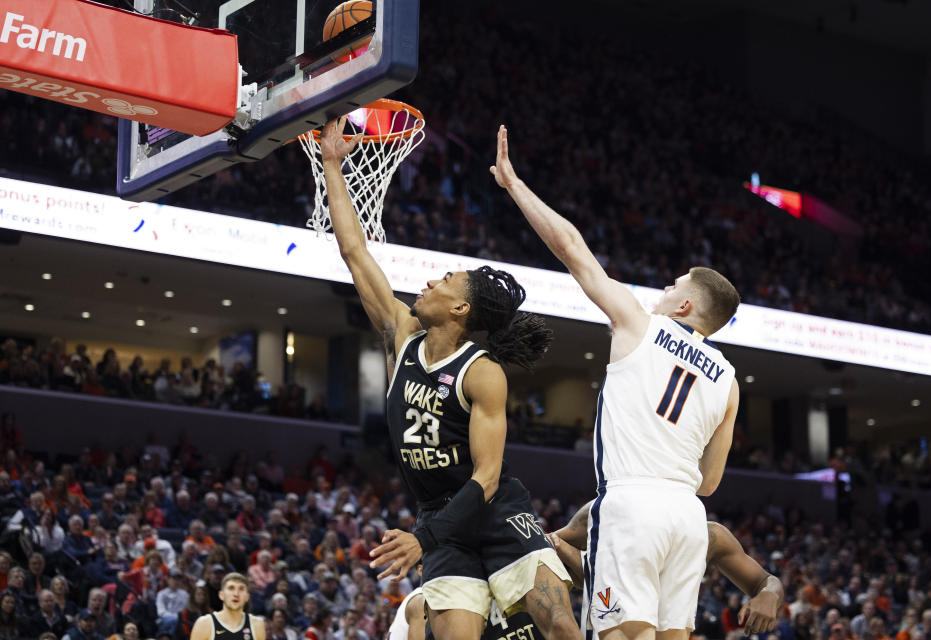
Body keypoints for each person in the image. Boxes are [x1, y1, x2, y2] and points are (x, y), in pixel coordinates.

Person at [318, 118, 579, 640]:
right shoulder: (402, 335)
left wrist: (421, 537)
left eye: (446, 280)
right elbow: (355, 253)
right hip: (442, 521)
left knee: (559, 629)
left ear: (461, 307)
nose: (432, 279)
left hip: (496, 513)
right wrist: (331, 165)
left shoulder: (482, 374)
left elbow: (484, 478)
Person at [491, 125, 740, 640]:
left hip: (632, 506)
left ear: (686, 305)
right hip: (688, 517)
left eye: (672, 286)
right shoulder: (730, 381)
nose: (663, 290)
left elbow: (572, 248)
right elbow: (710, 482)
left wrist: (515, 185)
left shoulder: (640, 323)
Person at [549, 501, 782, 636]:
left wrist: (769, 594)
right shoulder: (608, 508)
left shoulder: (709, 534)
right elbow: (549, 546)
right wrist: (578, 559)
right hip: (612, 626)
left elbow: (765, 581)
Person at [189, 572, 265, 640]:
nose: (236, 594)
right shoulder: (204, 623)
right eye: (231, 588)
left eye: (241, 589)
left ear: (247, 597)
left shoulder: (257, 624)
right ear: (221, 595)